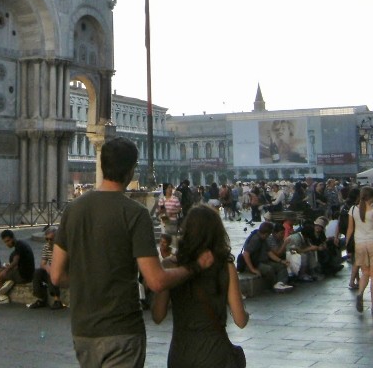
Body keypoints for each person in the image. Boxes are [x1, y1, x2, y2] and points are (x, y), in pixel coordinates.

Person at [51, 138, 215, 368]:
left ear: (102, 166)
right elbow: (156, 281)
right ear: (130, 171)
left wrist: (90, 283)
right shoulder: (135, 214)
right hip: (121, 329)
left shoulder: (73, 209)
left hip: (83, 331)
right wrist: (195, 266)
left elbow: (56, 275)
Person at [151, 206, 249, 368]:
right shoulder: (225, 266)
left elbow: (157, 315)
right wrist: (246, 313)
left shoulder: (170, 266)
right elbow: (240, 320)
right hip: (215, 354)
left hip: (181, 354)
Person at [345, 186, 373, 314]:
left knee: (365, 273)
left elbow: (350, 230)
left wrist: (347, 246)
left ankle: (360, 293)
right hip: (372, 243)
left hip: (359, 244)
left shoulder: (352, 209)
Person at [0, 229, 35, 304]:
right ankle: (9, 281)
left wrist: (5, 270)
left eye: (8, 241)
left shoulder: (19, 245)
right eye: (5, 242)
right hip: (26, 274)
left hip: (23, 276)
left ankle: (3, 297)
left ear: (13, 237)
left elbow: (15, 261)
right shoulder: (21, 244)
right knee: (3, 269)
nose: (7, 244)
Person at [28, 225, 63, 310]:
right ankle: (40, 298)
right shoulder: (46, 247)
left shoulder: (62, 247)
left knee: (54, 273)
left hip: (62, 272)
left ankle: (57, 300)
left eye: (51, 239)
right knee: (37, 272)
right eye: (47, 239)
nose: (49, 241)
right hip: (52, 270)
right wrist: (48, 268)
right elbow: (43, 263)